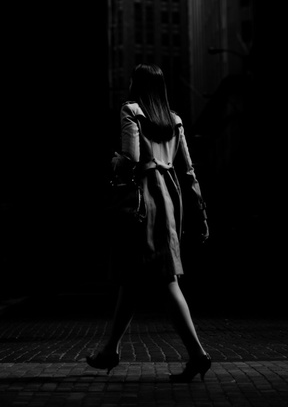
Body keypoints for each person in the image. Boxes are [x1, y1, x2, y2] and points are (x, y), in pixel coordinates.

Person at [86, 63, 211, 382]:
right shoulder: (175, 120)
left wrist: (114, 161)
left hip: (144, 199)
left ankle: (197, 354)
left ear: (137, 85)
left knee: (164, 278)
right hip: (170, 197)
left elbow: (130, 157)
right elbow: (188, 171)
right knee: (133, 277)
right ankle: (110, 350)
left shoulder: (131, 111)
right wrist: (201, 214)